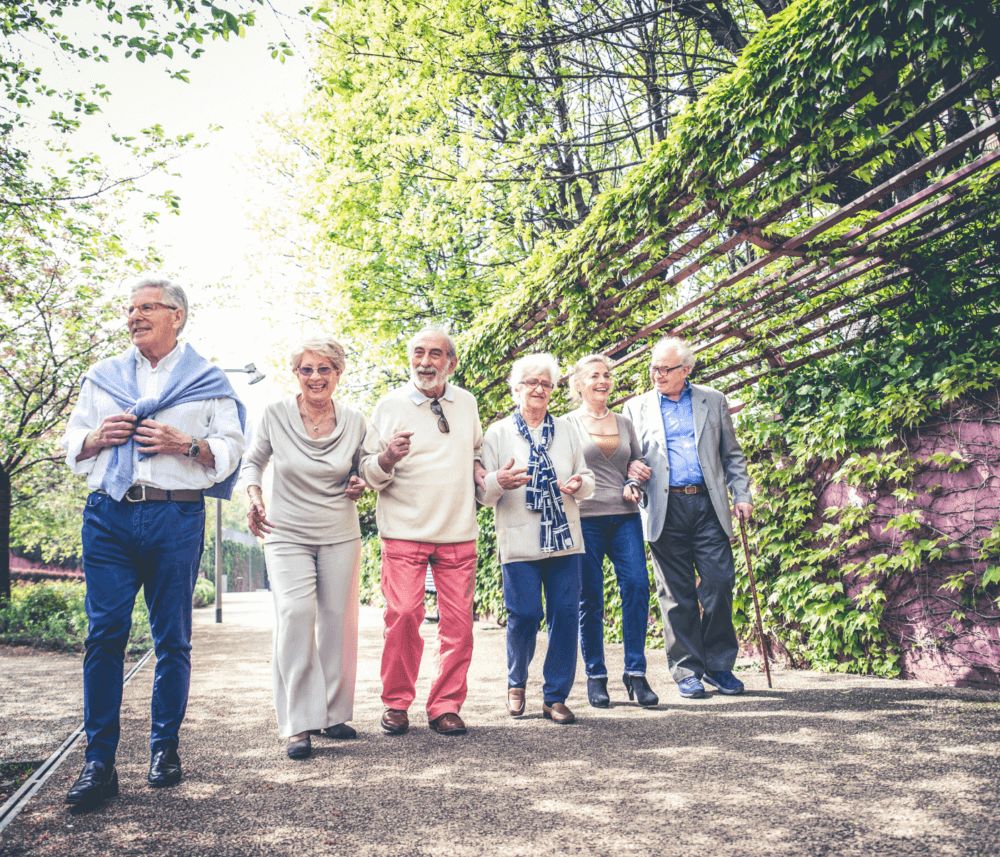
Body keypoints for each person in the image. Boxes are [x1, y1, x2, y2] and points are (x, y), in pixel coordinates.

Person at [61, 277, 248, 810]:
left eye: (147, 307)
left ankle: (164, 748)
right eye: (130, 309)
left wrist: (186, 443)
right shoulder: (104, 378)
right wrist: (98, 438)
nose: (134, 316)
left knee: (173, 639)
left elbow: (233, 447)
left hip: (175, 514)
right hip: (108, 515)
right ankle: (98, 762)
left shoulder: (208, 381)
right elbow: (72, 439)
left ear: (177, 316)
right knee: (104, 637)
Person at [242, 337, 368, 760]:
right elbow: (252, 461)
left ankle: (332, 714)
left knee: (338, 621)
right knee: (295, 615)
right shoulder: (275, 414)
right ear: (295, 374)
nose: (315, 377)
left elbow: (364, 466)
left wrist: (360, 480)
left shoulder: (354, 420)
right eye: (306, 369)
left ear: (338, 373)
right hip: (285, 530)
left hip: (339, 531)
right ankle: (298, 722)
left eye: (324, 369)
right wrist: (254, 496)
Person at [358, 328, 484, 736]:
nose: (425, 361)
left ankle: (445, 706)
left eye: (435, 353)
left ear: (452, 362)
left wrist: (486, 474)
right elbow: (366, 471)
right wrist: (387, 457)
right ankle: (396, 702)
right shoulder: (389, 405)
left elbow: (477, 453)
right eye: (418, 352)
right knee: (405, 615)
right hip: (404, 530)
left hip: (458, 530)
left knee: (459, 625)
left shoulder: (466, 403)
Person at [623, 336, 753, 699]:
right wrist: (632, 476)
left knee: (720, 582)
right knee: (675, 594)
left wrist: (742, 495)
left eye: (665, 369)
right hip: (665, 507)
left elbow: (732, 455)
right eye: (653, 367)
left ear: (686, 370)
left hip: (709, 505)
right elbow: (630, 459)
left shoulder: (713, 400)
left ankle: (719, 666)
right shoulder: (635, 408)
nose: (657, 375)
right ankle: (687, 671)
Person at [477, 353, 594, 724]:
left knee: (565, 614)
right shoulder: (497, 433)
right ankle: (516, 681)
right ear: (516, 389)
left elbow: (585, 475)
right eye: (531, 382)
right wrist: (499, 481)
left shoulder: (568, 429)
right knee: (525, 615)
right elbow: (483, 493)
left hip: (564, 538)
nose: (539, 388)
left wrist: (579, 485)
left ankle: (555, 696)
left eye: (546, 383)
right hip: (520, 537)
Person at [565, 355, 658, 709]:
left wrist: (634, 479)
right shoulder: (566, 424)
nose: (602, 381)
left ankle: (636, 672)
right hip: (585, 518)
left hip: (625, 516)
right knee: (591, 597)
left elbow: (639, 461)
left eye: (606, 375)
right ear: (578, 383)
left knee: (636, 586)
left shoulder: (624, 422)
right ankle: (596, 676)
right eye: (594, 376)